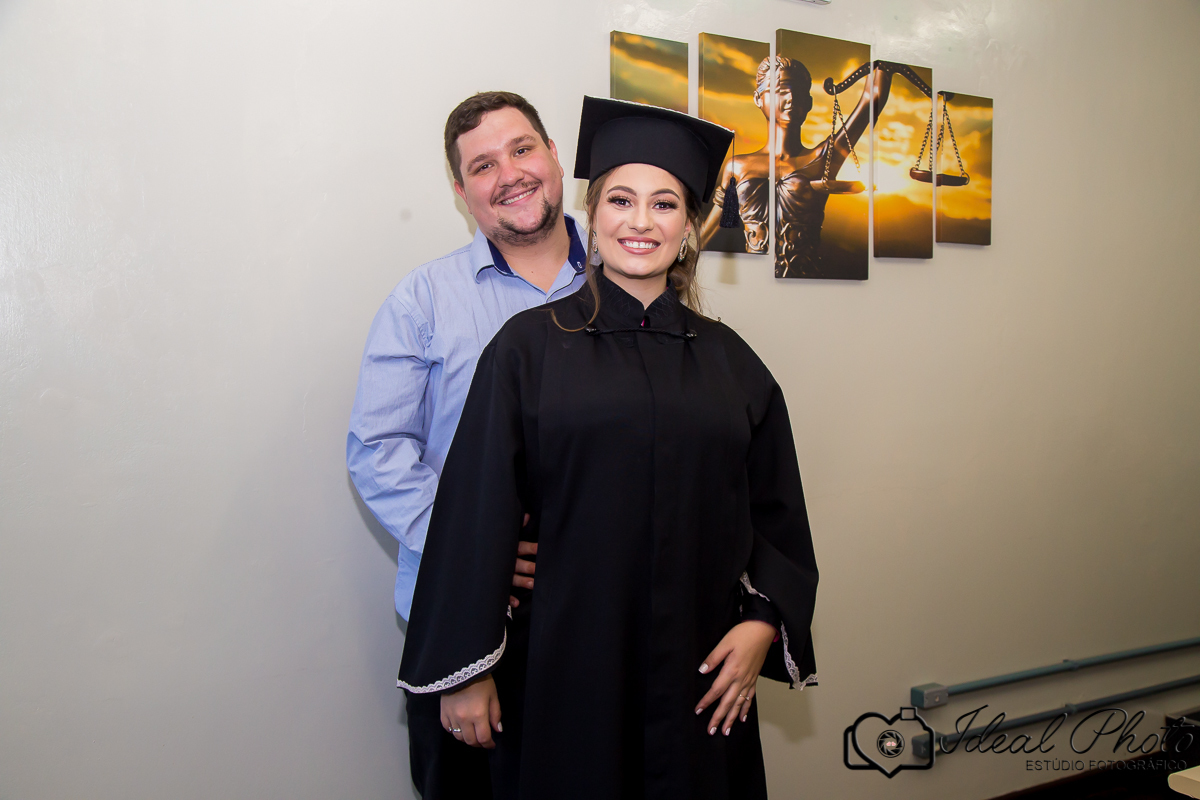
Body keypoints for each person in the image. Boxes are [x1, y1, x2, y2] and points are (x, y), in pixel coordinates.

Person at [398, 96, 819, 800]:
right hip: (563, 669)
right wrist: (467, 669)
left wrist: (762, 622)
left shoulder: (732, 363)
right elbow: (473, 514)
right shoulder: (527, 350)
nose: (641, 221)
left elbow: (776, 514)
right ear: (593, 216)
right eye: (621, 200)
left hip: (697, 674)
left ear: (688, 226)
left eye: (664, 204)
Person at [347, 90, 587, 799]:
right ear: (460, 191)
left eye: (522, 149)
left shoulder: (627, 282)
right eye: (482, 166)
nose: (509, 174)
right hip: (471, 622)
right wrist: (475, 547)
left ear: (554, 156)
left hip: (603, 614)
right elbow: (377, 448)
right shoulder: (424, 299)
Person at [697, 56, 892, 278]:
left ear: (808, 103)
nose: (790, 98)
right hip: (753, 279)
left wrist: (883, 68)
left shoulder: (822, 159)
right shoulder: (737, 166)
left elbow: (870, 102)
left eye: (798, 93)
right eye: (781, 90)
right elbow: (712, 229)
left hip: (806, 279)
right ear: (758, 98)